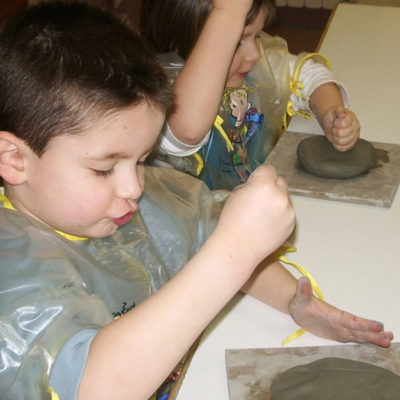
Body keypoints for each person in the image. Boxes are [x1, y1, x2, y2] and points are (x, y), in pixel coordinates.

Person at [0, 2, 393, 400]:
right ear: (14, 160)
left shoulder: (126, 200)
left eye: (139, 160)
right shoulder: (12, 268)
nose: (134, 187)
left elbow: (203, 231)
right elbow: (93, 386)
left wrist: (294, 302)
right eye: (104, 169)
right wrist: (234, 251)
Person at [140, 0, 361, 190]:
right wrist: (228, 14)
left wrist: (330, 112)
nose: (254, 54)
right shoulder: (156, 101)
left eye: (257, 36)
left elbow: (307, 73)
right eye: (237, 42)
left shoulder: (252, 70)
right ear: (179, 43)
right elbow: (186, 131)